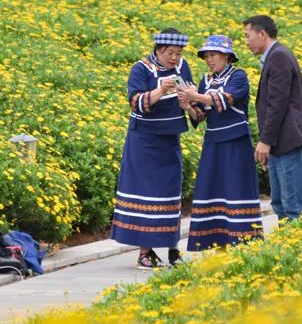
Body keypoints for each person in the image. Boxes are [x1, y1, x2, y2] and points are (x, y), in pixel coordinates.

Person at [110, 28, 193, 269]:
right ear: (158, 50)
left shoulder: (182, 67)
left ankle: (173, 250)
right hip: (143, 142)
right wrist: (160, 90)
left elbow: (192, 100)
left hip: (170, 140)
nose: (174, 58)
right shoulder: (141, 68)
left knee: (170, 195)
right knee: (146, 195)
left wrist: (188, 101)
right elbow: (136, 102)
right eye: (169, 53)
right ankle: (144, 252)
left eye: (178, 53)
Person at [177, 35, 263, 251]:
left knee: (236, 189)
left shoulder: (239, 76)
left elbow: (225, 99)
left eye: (213, 55)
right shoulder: (205, 81)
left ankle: (243, 244)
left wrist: (195, 95)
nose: (209, 59)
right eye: (206, 55)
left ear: (226, 56)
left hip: (236, 144)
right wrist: (187, 105)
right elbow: (200, 116)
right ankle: (215, 243)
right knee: (211, 190)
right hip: (213, 144)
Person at [242, 15, 302, 221]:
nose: (246, 42)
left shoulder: (279, 57)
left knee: (292, 207)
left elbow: (278, 103)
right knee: (280, 205)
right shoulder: (275, 56)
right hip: (281, 142)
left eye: (248, 36)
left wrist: (265, 141)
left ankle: (299, 250)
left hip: (289, 141)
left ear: (262, 34)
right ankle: (286, 251)